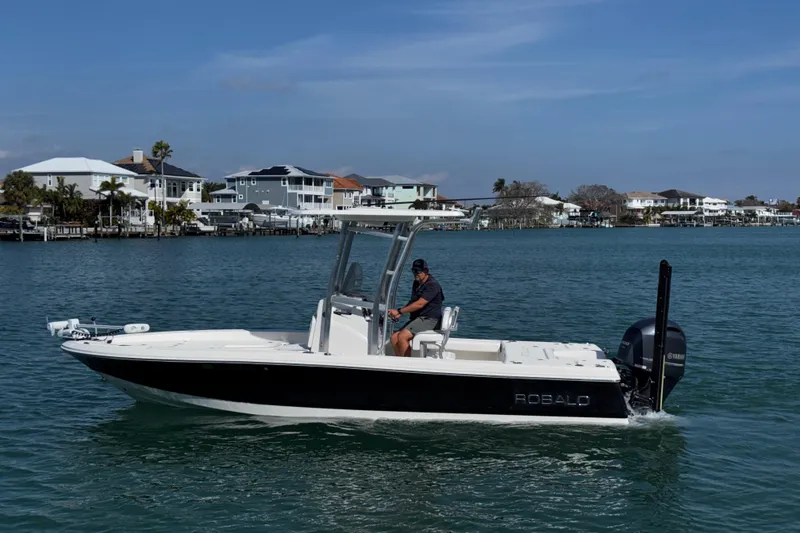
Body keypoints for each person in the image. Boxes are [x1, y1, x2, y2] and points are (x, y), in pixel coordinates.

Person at [388, 258, 444, 357]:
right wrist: (398, 313)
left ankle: (408, 366)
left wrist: (400, 311)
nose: (415, 273)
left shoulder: (432, 285)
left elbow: (420, 304)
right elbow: (413, 301)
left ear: (426, 271)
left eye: (418, 271)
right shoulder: (417, 283)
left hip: (430, 319)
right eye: (413, 271)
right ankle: (400, 364)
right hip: (419, 318)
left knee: (402, 337)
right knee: (394, 338)